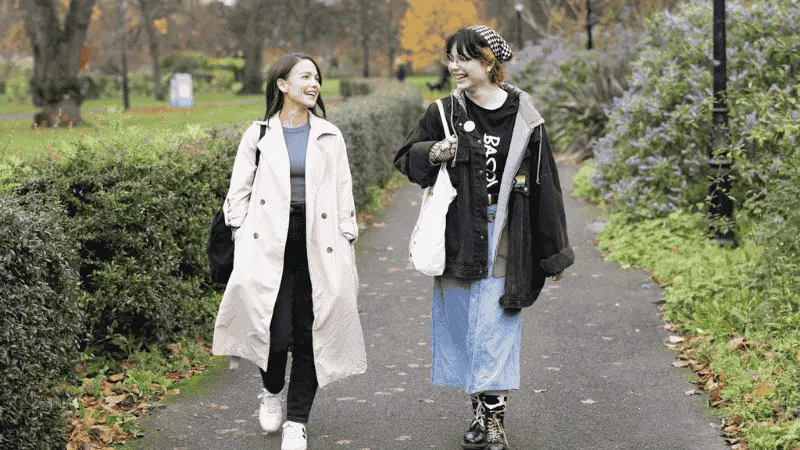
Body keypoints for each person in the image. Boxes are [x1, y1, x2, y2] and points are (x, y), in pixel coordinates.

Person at [394, 26, 574, 450]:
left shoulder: (524, 116)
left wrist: (554, 253)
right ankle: (479, 413)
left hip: (507, 231)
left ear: (489, 62)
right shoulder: (443, 112)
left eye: (464, 58)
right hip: (459, 233)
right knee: (464, 328)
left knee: (496, 324)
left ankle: (494, 421)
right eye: (450, 58)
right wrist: (435, 152)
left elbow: (546, 184)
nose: (454, 66)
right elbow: (406, 159)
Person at [212, 53, 367, 450]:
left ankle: (296, 421)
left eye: (317, 78)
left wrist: (347, 239)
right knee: (274, 330)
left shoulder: (329, 135)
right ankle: (271, 390)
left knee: (312, 331)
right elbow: (237, 193)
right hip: (269, 242)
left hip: (320, 242)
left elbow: (344, 192)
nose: (314, 84)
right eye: (305, 77)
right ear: (282, 84)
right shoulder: (258, 134)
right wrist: (242, 235)